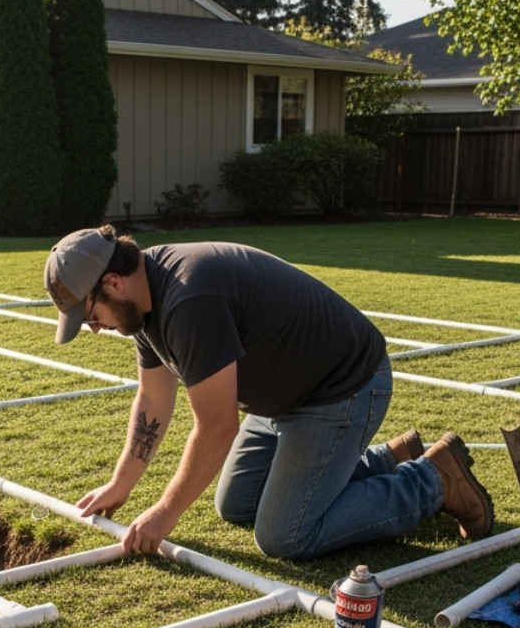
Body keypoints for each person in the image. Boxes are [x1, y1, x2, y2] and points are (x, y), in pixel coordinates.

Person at [43, 226, 494, 559]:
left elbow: (217, 428)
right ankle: (387, 458)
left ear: (112, 283)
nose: (95, 327)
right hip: (282, 399)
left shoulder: (188, 299)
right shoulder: (142, 303)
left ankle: (433, 480)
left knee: (285, 535)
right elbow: (153, 402)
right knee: (236, 503)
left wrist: (164, 512)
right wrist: (122, 484)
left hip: (343, 387)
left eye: (91, 316)